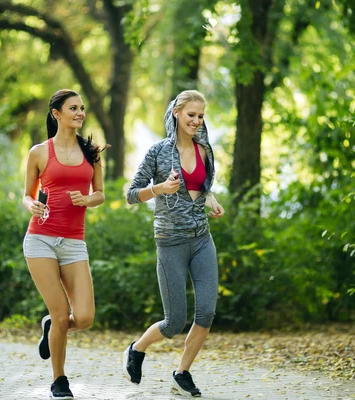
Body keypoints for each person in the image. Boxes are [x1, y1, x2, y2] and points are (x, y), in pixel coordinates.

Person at [124, 90, 225, 397]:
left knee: (206, 312)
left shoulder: (205, 150)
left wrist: (211, 199)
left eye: (201, 116)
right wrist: (159, 188)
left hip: (201, 239)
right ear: (177, 113)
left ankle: (182, 374)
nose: (196, 121)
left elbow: (202, 187)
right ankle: (137, 349)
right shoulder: (158, 152)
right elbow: (131, 194)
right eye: (191, 114)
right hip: (170, 242)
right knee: (174, 322)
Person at [22, 89, 105, 399]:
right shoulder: (39, 152)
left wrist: (87, 199)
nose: (80, 112)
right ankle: (59, 380)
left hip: (73, 243)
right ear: (56, 113)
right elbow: (27, 194)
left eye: (82, 107)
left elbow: (100, 193)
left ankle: (51, 328)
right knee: (60, 314)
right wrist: (31, 205)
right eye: (73, 108)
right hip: (40, 240)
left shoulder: (91, 152)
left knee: (83, 318)